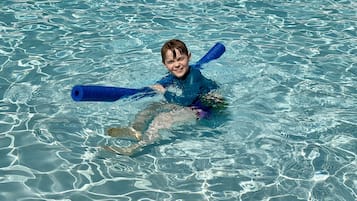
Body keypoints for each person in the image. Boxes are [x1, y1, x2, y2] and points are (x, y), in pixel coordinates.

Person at [104, 39, 226, 156]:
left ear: (189, 57)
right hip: (191, 100)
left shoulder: (194, 75)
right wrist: (156, 87)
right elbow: (165, 84)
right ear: (165, 64)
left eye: (180, 59)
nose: (177, 65)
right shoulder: (173, 74)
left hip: (206, 106)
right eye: (171, 62)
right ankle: (135, 129)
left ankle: (136, 147)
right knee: (152, 107)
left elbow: (185, 100)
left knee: (163, 119)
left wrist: (164, 91)